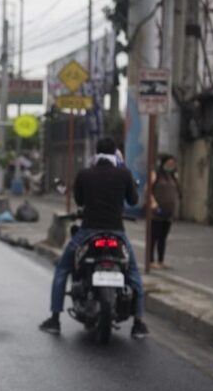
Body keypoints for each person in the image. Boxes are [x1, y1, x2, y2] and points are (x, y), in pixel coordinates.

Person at [39, 137, 149, 339]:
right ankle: (139, 323)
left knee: (63, 269)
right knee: (133, 274)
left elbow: (79, 200)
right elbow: (133, 200)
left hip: (88, 231)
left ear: (96, 153)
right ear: (115, 152)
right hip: (117, 232)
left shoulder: (85, 174)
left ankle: (55, 319)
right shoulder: (123, 173)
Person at [150, 155, 180, 269]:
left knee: (163, 237)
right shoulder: (156, 175)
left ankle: (161, 260)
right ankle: (151, 260)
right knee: (154, 236)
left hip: (169, 211)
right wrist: (153, 203)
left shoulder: (173, 177)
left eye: (173, 164)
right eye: (169, 163)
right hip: (157, 211)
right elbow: (148, 190)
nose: (171, 166)